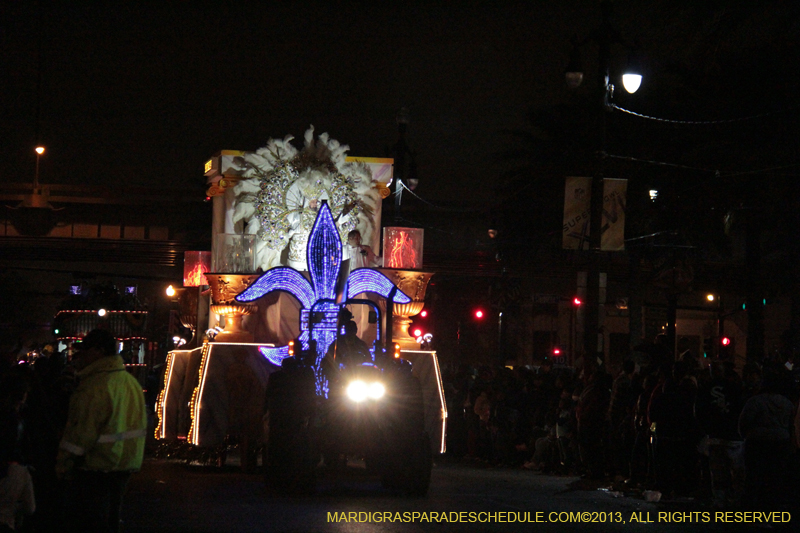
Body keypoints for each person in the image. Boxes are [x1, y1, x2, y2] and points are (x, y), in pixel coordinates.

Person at [56, 329, 147, 533]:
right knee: (112, 519)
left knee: (90, 521)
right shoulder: (131, 383)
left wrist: (63, 465)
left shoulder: (93, 386)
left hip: (94, 468)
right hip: (125, 465)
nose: (79, 355)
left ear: (98, 351)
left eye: (85, 350)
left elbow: (80, 434)